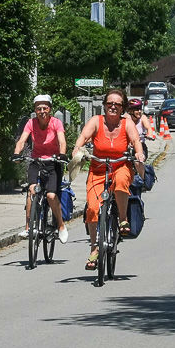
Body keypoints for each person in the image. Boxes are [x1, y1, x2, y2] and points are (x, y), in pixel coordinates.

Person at [72, 88, 146, 270]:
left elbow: (136, 141)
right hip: (98, 169)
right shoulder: (96, 121)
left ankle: (122, 219)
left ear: (123, 108)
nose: (113, 107)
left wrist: (139, 154)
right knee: (91, 209)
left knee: (121, 182)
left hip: (120, 166)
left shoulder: (127, 123)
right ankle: (94, 248)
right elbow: (82, 137)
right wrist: (77, 150)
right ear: (104, 106)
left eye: (117, 104)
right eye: (109, 103)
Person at [13, 94, 69, 243]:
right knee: (32, 190)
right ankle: (28, 227)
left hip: (53, 162)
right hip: (36, 161)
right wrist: (16, 154)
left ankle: (61, 226)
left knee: (51, 195)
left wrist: (62, 154)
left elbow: (62, 141)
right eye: (39, 108)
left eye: (45, 108)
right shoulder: (31, 123)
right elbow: (22, 140)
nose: (42, 111)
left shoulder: (56, 123)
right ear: (35, 110)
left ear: (50, 109)